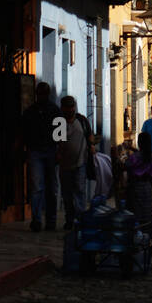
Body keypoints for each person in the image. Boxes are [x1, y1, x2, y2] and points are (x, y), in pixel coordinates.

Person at [21, 81, 61, 232]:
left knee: (51, 187)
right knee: (37, 186)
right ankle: (37, 219)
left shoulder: (55, 111)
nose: (41, 96)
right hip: (35, 151)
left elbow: (61, 135)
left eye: (43, 93)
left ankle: (50, 220)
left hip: (50, 150)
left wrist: (59, 152)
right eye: (40, 93)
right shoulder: (30, 112)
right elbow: (24, 132)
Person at [56, 95, 95, 229]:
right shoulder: (60, 122)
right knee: (67, 194)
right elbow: (59, 144)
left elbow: (90, 136)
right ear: (62, 108)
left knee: (79, 191)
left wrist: (91, 146)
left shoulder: (82, 120)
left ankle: (79, 220)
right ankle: (69, 219)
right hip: (65, 165)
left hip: (80, 163)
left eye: (72, 106)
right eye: (67, 107)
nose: (70, 109)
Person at [123, 131, 152, 239]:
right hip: (147, 186)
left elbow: (126, 165)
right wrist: (132, 149)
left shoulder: (135, 157)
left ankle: (137, 233)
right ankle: (150, 231)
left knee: (136, 211)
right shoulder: (150, 156)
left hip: (136, 187)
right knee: (148, 210)